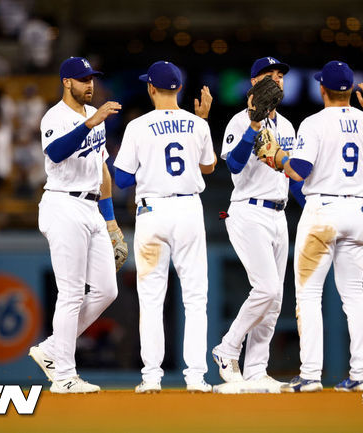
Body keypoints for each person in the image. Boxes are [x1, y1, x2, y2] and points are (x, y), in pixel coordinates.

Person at [260, 60, 363, 392]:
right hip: (358, 211)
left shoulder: (314, 122)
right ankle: (361, 374)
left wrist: (278, 157)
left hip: (323, 211)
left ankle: (310, 376)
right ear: (351, 90)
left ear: (322, 88)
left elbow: (299, 170)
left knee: (309, 295)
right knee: (354, 294)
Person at [114, 61, 216, 393]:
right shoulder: (197, 123)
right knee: (196, 297)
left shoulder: (138, 126)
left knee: (151, 298)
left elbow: (122, 178)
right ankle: (197, 377)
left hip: (152, 212)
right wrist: (199, 126)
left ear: (151, 88)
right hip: (188, 209)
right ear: (180, 89)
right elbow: (209, 166)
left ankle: (152, 377)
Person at [28, 56, 126, 394]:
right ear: (67, 82)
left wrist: (111, 221)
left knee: (107, 290)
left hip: (91, 208)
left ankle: (53, 348)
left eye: (92, 78)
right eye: (83, 79)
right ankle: (64, 375)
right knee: (70, 293)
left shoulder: (94, 119)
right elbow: (55, 152)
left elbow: (103, 171)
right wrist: (89, 123)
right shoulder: (55, 116)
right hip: (62, 203)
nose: (90, 84)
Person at [212, 57, 305, 394]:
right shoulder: (239, 121)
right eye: (270, 75)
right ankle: (227, 349)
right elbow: (235, 166)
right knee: (265, 289)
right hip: (247, 212)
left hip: (279, 214)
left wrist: (311, 210)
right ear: (253, 83)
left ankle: (255, 371)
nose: (278, 80)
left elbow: (292, 179)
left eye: (281, 74)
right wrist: (253, 125)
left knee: (275, 299)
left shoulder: (288, 126)